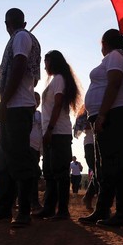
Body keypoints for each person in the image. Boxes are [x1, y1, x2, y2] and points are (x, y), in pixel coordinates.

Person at [79, 29, 123, 227]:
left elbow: (115, 82)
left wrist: (102, 113)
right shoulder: (112, 57)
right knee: (105, 167)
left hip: (115, 113)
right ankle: (102, 210)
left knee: (117, 164)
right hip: (109, 114)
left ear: (105, 43)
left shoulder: (115, 55)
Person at [0, 8, 41, 228]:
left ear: (7, 24)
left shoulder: (22, 37)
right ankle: (3, 209)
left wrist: (4, 102)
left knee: (19, 159)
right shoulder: (20, 38)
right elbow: (16, 66)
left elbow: (20, 65)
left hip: (17, 106)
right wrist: (1, 70)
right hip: (15, 106)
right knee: (5, 160)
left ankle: (23, 211)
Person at [34, 50, 82, 221]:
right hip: (51, 133)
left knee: (60, 173)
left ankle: (62, 211)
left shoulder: (60, 79)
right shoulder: (56, 80)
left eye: (46, 62)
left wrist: (50, 129)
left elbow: (58, 104)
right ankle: (48, 208)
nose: (44, 66)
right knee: (49, 171)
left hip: (58, 133)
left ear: (52, 62)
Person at [30, 92, 43, 210]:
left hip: (36, 149)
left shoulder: (40, 115)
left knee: (34, 174)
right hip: (26, 147)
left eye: (38, 99)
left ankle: (33, 202)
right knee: (31, 174)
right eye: (34, 98)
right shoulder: (24, 113)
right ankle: (33, 202)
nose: (37, 101)